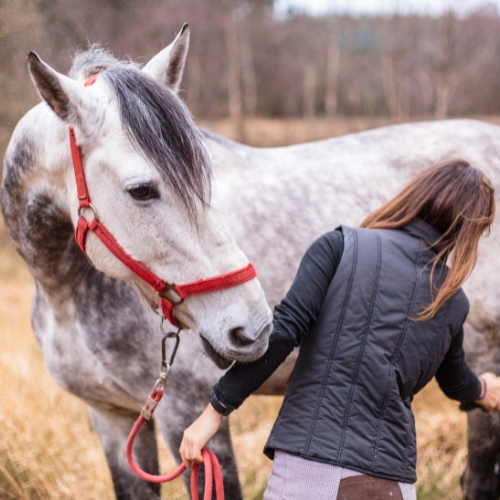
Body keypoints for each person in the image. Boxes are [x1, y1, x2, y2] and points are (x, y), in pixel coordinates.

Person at [180, 160, 500, 500]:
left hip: (313, 473)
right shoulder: (453, 300)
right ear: (468, 232)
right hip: (397, 484)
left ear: (416, 195)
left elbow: (284, 332)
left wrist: (214, 412)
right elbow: (455, 380)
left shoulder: (341, 246)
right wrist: (483, 390)